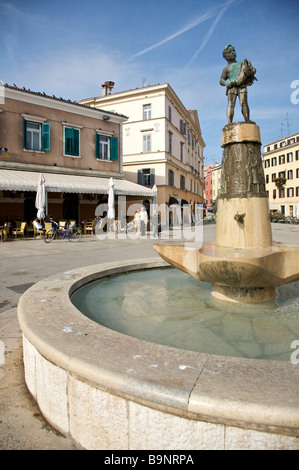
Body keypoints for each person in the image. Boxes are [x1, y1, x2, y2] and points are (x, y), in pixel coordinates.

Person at [219, 45, 256, 124]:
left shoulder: (242, 64)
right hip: (231, 86)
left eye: (233, 51)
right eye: (230, 52)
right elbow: (221, 80)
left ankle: (247, 119)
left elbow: (251, 70)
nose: (233, 53)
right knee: (231, 104)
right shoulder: (226, 69)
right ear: (225, 57)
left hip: (242, 85)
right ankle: (229, 122)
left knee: (244, 102)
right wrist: (226, 83)